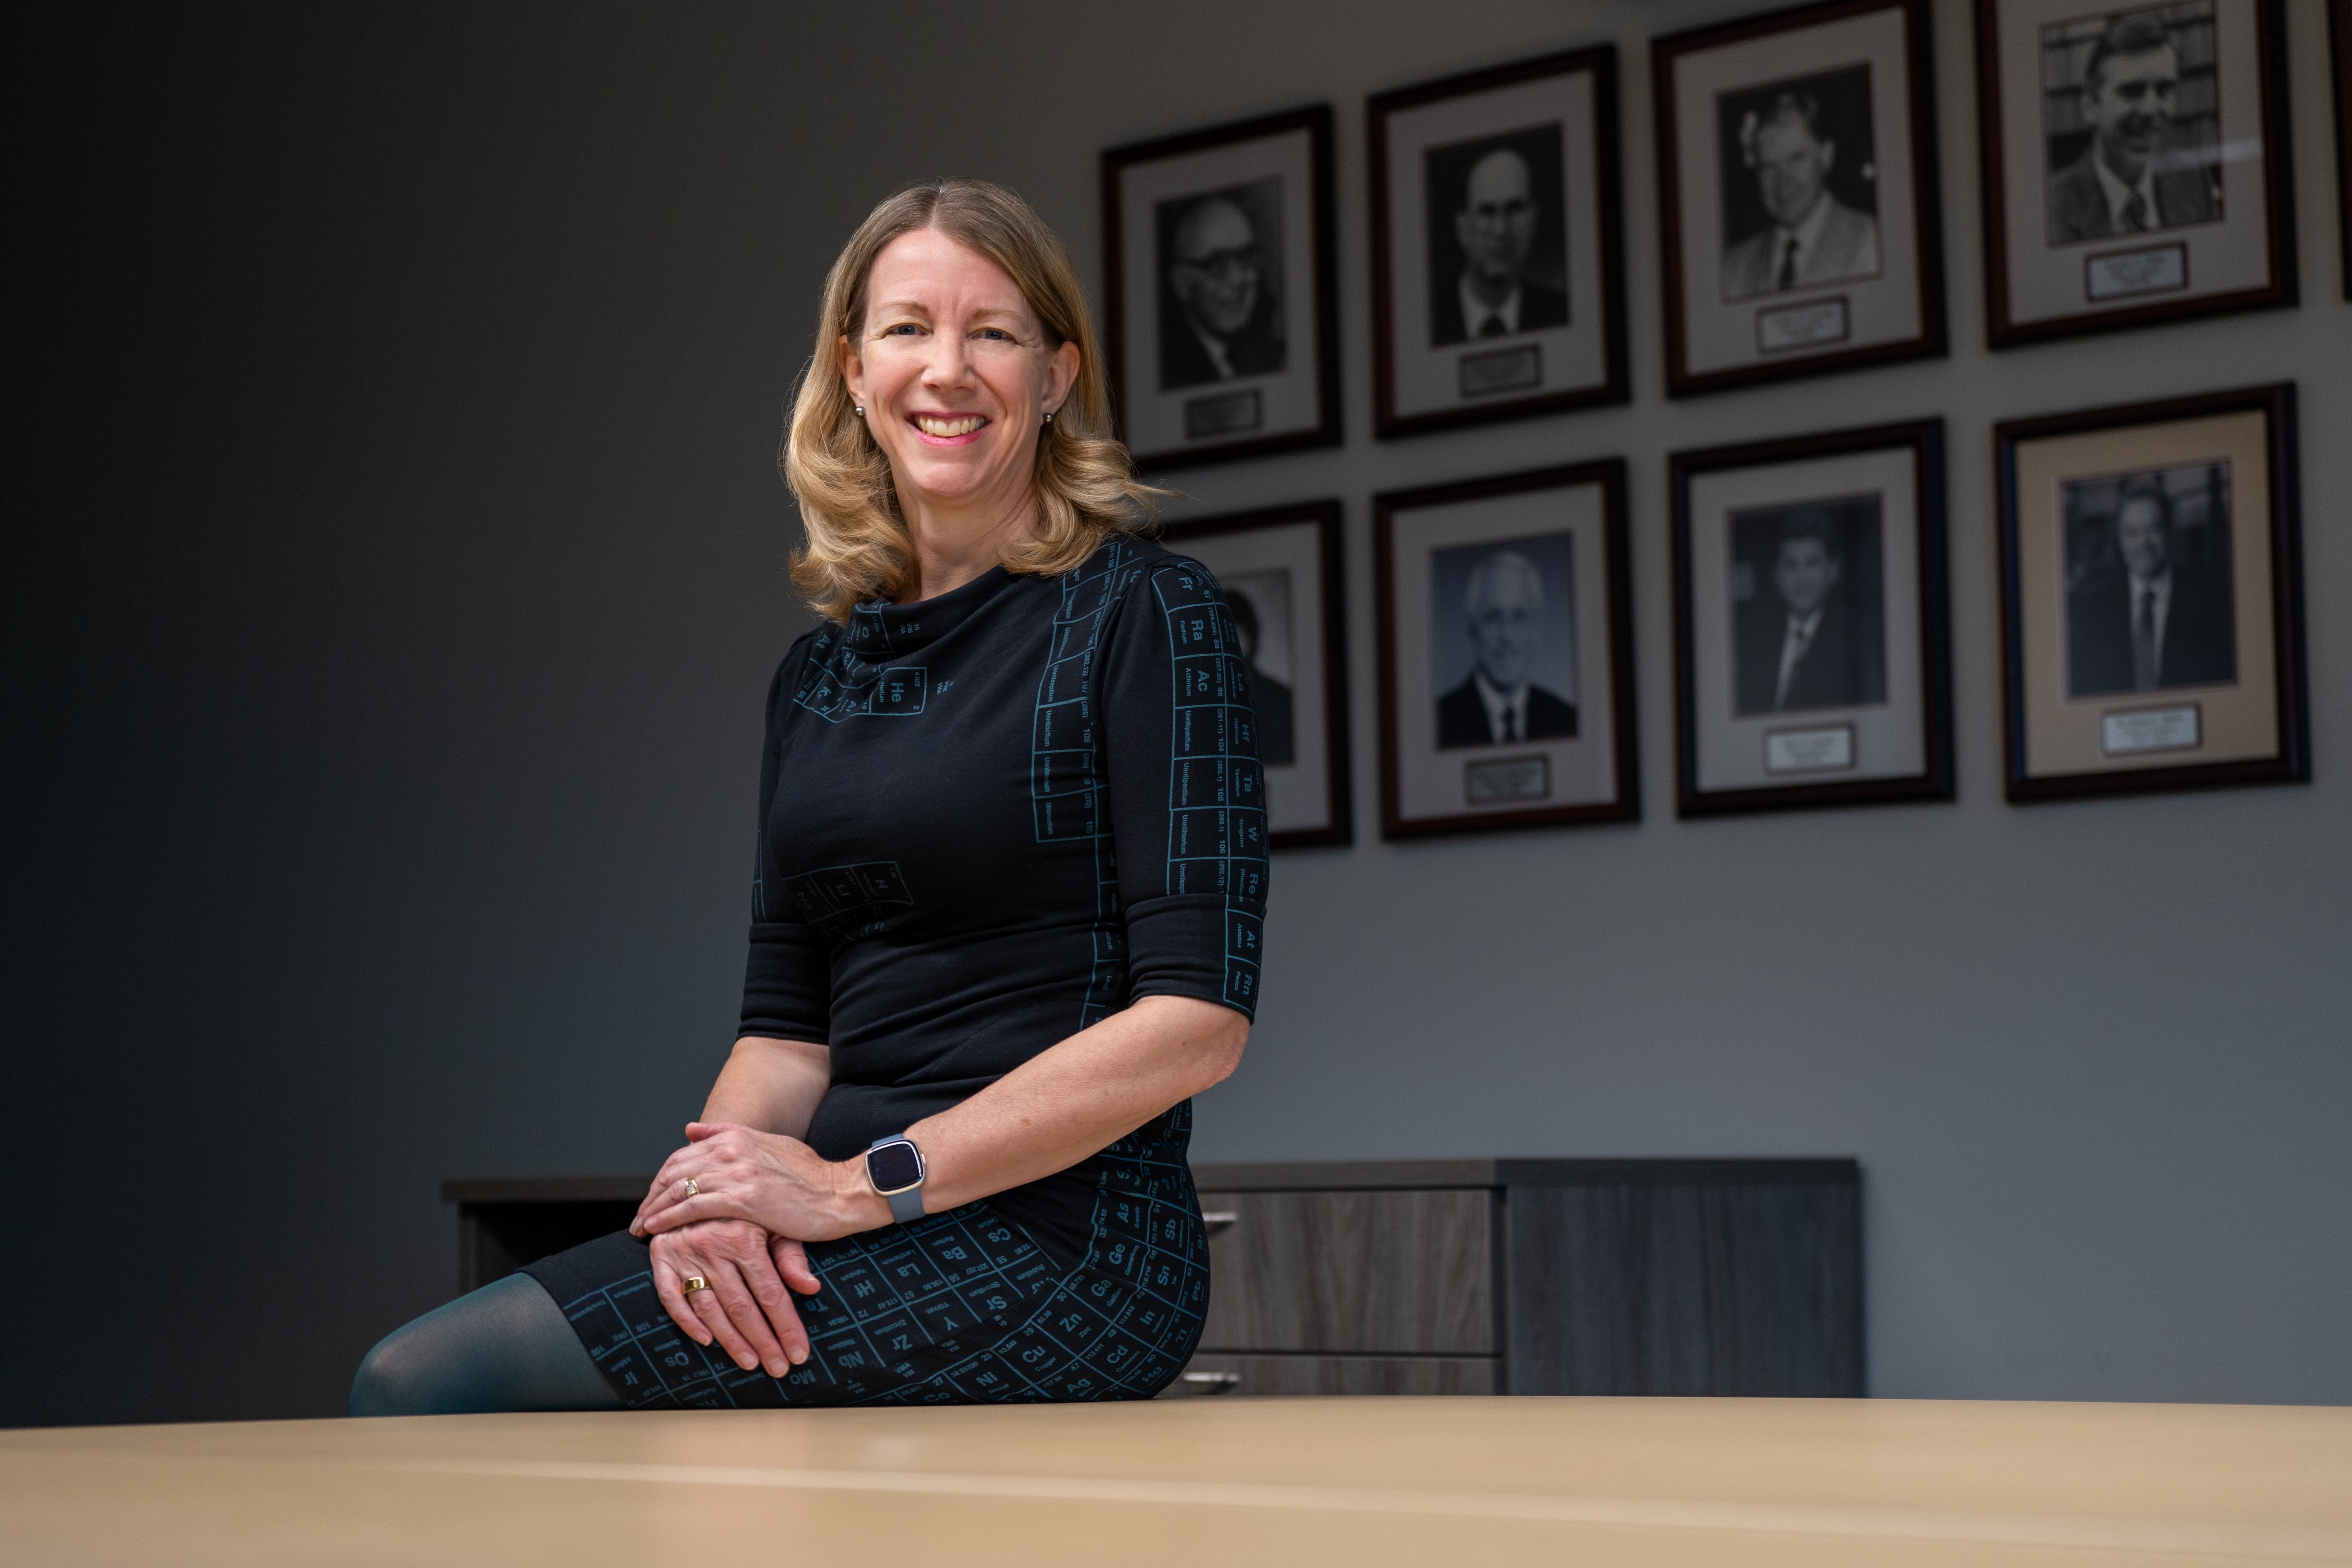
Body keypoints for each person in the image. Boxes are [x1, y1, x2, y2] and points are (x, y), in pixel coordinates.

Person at [349, 179, 1267, 1414]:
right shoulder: (819, 676)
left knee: (432, 1387)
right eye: (907, 329)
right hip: (837, 1207)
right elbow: (786, 1034)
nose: (948, 370)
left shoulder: (1148, 613)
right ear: (852, 369)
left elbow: (1196, 1022)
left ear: (1055, 378)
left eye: (993, 333)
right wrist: (712, 1206)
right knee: (432, 1382)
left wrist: (851, 1188)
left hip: (1067, 1240)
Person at [2047, 12, 2220, 244]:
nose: (2151, 110)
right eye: (2132, 91)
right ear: (2091, 106)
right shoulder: (2054, 205)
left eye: (2164, 90)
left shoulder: (2193, 182)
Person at [2066, 476, 2234, 697]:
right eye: (2132, 533)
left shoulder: (2212, 603)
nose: (2143, 543)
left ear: (2170, 533)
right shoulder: (2093, 609)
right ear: (2120, 540)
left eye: (2153, 530)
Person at [1721, 90, 1881, 300]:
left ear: (1826, 156)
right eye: (1768, 167)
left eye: (1796, 159)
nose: (1782, 182)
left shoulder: (1872, 243)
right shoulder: (1733, 267)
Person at [1735, 510, 1884, 715]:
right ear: (1776, 573)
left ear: (1834, 570)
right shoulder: (1752, 640)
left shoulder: (1857, 640)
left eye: (1812, 564)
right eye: (1791, 565)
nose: (1801, 578)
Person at [1436, 548, 1576, 749]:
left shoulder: (1566, 720)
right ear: (1472, 627)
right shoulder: (1439, 723)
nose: (1507, 636)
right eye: (1493, 617)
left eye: (1519, 617)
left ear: (1538, 627)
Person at [1430, 145, 1569, 345]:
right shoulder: (1430, 321)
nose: (1501, 230)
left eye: (1515, 209)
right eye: (1487, 212)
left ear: (1534, 219)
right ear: (1462, 227)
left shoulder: (1561, 312)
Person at [1158, 191, 1285, 389]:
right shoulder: (1166, 370)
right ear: (1181, 284)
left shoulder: (1275, 355)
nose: (1237, 279)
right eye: (1215, 264)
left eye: (1246, 257)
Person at [1224, 583, 1295, 767]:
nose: (1228, 648)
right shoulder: (1194, 701)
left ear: (1251, 637)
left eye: (1235, 637)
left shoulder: (1279, 699)